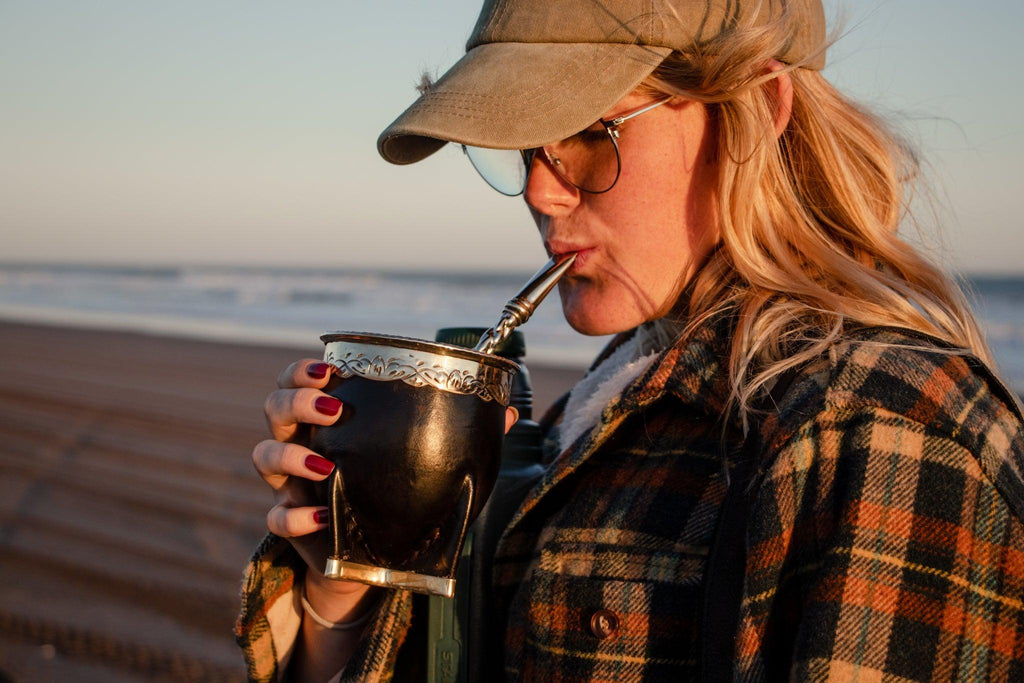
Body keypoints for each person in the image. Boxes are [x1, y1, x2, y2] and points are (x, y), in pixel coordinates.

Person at [235, 0, 1024, 680]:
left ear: (758, 108)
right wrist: (344, 588)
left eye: (588, 132)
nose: (542, 191)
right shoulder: (617, 387)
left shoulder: (878, 435)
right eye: (522, 143)